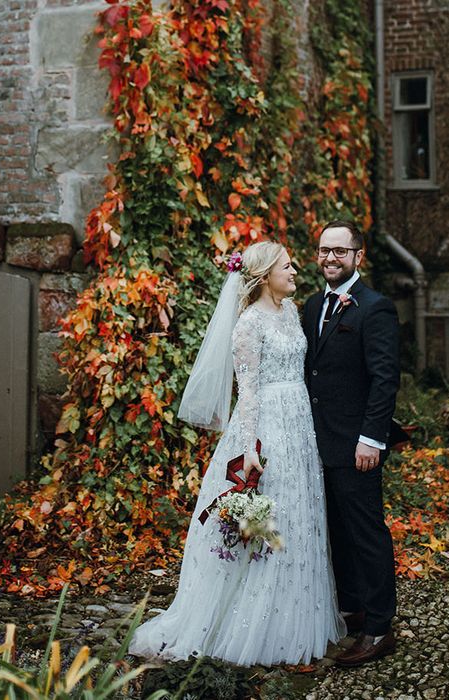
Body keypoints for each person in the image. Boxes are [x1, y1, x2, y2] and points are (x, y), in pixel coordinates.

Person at [129, 241, 346, 666]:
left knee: (300, 515)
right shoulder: (248, 324)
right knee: (269, 521)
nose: (296, 271)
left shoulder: (290, 312)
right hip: (268, 428)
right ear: (265, 275)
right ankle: (247, 626)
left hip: (300, 425)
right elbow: (246, 392)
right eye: (287, 266)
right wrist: (250, 448)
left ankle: (296, 616)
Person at [302, 220, 401, 667]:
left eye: (340, 251)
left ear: (358, 256)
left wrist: (371, 439)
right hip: (316, 443)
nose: (330, 258)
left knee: (367, 533)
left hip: (358, 445)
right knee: (337, 531)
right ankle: (355, 607)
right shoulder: (309, 305)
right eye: (324, 250)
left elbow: (385, 380)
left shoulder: (374, 308)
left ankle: (380, 627)